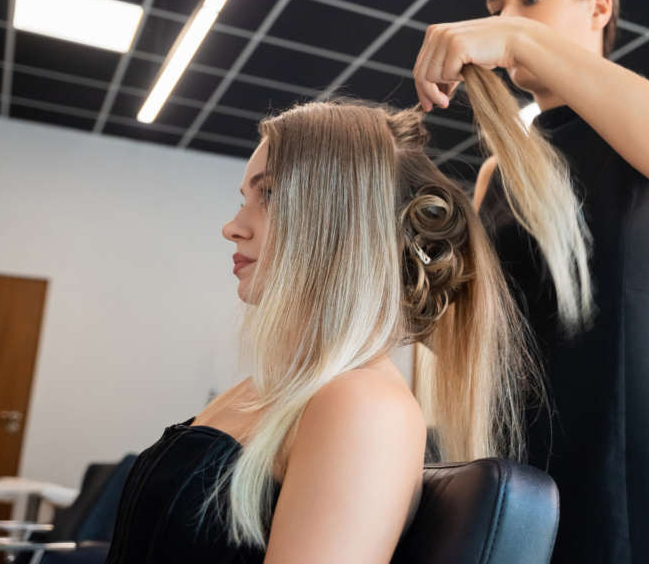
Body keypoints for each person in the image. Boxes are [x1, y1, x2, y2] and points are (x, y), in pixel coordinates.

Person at [103, 67, 575, 564]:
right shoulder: (282, 386)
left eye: (270, 195)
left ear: (344, 220)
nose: (232, 227)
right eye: (243, 199)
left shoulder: (363, 406)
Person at [412, 0, 649, 562]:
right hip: (524, 470)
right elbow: (477, 336)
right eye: (496, 8)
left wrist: (516, 37)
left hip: (632, 455)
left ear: (600, 6)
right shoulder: (499, 171)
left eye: (530, 0)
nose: (507, 19)